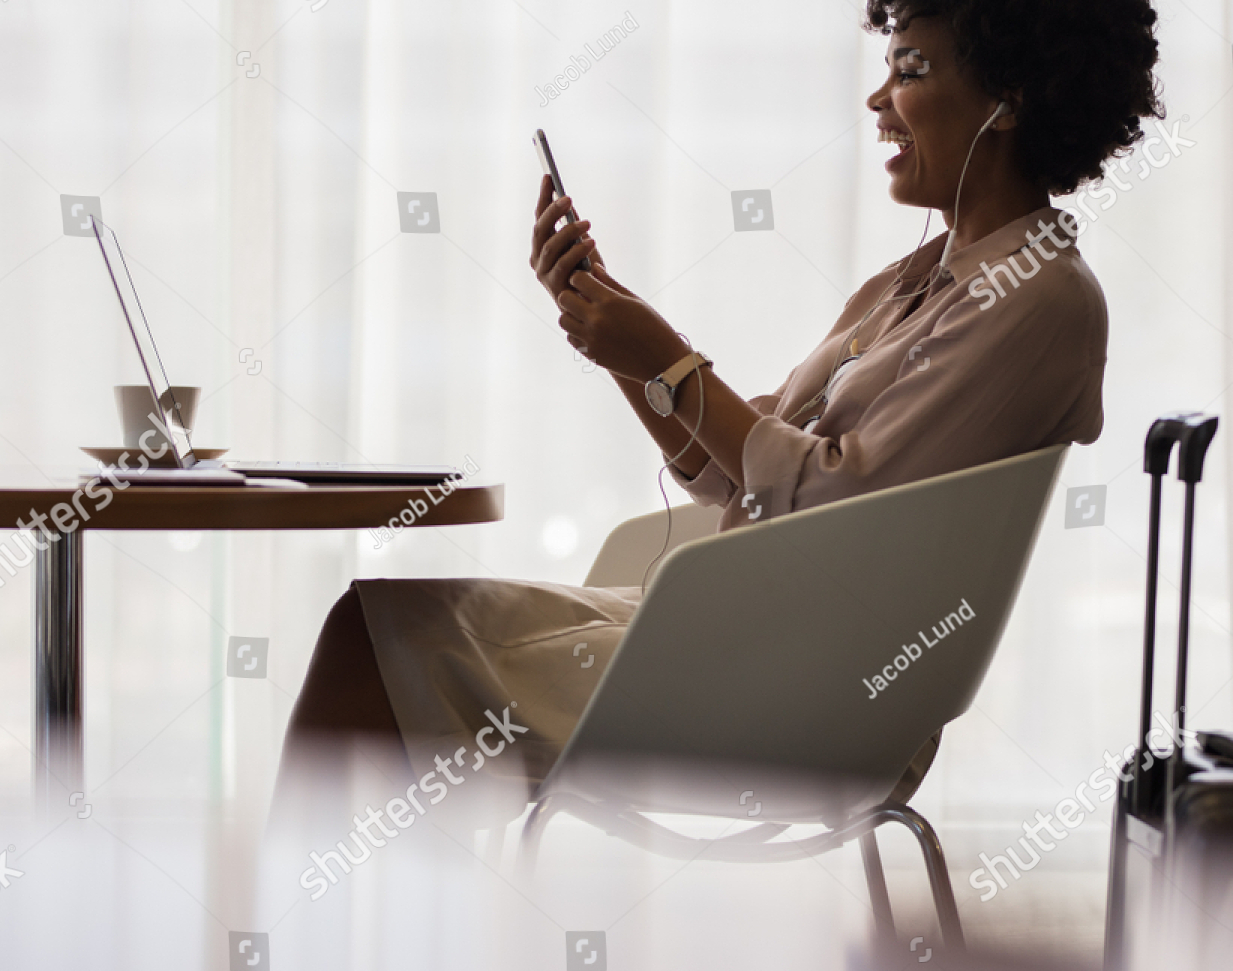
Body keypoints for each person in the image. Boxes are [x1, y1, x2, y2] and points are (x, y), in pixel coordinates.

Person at [273, 0, 1164, 819]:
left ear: (1007, 97)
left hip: (814, 687)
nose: (878, 97)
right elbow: (731, 469)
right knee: (382, 623)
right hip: (744, 631)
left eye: (911, 69)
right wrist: (613, 336)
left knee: (382, 640)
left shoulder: (1038, 298)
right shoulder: (910, 283)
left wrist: (659, 351)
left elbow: (824, 508)